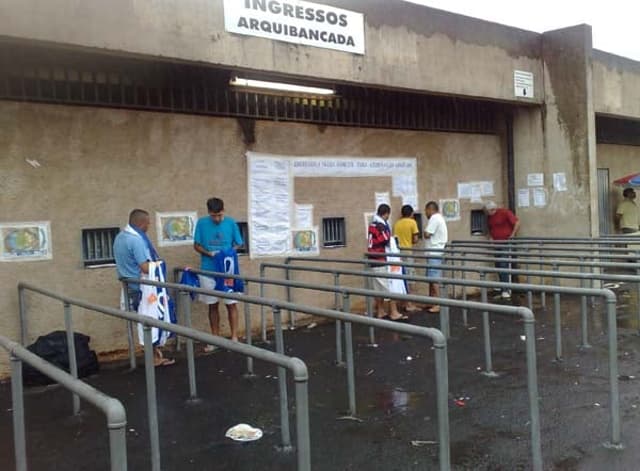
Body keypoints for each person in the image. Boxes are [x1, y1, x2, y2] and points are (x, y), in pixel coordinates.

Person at [113, 209, 175, 366]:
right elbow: (145, 267)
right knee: (149, 319)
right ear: (141, 224)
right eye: (148, 223)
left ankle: (154, 354)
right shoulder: (136, 240)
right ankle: (153, 358)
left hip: (128, 284)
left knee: (143, 320)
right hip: (141, 287)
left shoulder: (120, 237)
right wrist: (159, 264)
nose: (149, 226)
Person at [193, 197, 244, 350]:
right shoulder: (202, 223)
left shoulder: (231, 222)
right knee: (212, 305)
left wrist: (228, 253)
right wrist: (210, 253)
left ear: (223, 211)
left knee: (231, 304)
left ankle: (234, 337)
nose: (217, 219)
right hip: (208, 270)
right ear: (209, 213)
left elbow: (239, 243)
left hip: (228, 271)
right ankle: (215, 339)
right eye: (214, 216)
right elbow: (196, 245)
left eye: (219, 215)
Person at [368, 204, 406, 321]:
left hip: (372, 259)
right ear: (386, 214)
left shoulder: (372, 224)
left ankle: (380, 311)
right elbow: (386, 239)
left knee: (378, 288)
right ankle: (393, 312)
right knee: (389, 286)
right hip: (381, 259)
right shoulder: (380, 226)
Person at [485, 201, 520, 299]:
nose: (489, 213)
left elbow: (517, 222)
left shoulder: (505, 212)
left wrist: (512, 235)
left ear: (494, 209)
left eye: (490, 211)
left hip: (505, 242)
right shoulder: (489, 217)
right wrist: (491, 237)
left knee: (503, 264)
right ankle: (502, 287)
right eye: (488, 211)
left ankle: (506, 290)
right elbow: (491, 228)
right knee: (498, 265)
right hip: (496, 243)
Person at [393, 204, 421, 313]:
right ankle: (410, 304)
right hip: (408, 252)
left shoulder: (397, 224)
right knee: (410, 278)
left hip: (398, 252)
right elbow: (415, 239)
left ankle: (404, 303)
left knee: (401, 277)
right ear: (411, 213)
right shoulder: (412, 222)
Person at [423, 201, 448, 313]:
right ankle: (432, 301)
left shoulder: (434, 218)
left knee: (434, 278)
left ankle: (438, 303)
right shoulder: (439, 218)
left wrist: (425, 232)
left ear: (430, 209)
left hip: (434, 252)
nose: (425, 213)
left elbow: (427, 233)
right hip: (435, 252)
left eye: (426, 211)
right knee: (430, 278)